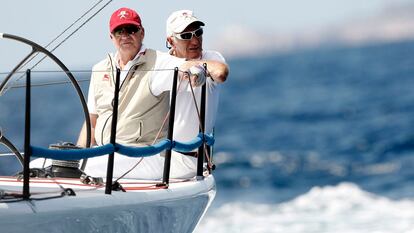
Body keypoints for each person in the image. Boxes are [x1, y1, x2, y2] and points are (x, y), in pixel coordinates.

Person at [31, 7, 228, 180]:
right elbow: (92, 120)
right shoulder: (102, 68)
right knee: (39, 165)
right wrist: (78, 154)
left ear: (142, 33)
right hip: (120, 153)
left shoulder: (163, 63)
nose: (194, 39)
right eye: (119, 31)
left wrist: (198, 70)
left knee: (79, 167)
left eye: (198, 32)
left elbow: (216, 71)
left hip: (164, 157)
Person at [165, 10, 229, 178]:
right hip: (161, 157)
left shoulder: (212, 57)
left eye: (198, 33)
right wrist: (183, 66)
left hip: (194, 162)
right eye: (186, 36)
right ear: (170, 41)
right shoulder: (162, 65)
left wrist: (196, 67)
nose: (194, 40)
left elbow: (221, 73)